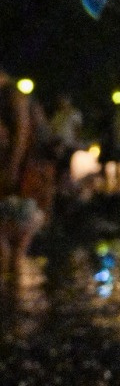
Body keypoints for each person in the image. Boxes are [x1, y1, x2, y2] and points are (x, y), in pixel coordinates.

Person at [0, 75, 48, 287]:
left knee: (8, 242)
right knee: (17, 246)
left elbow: (21, 132)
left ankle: (10, 295)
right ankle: (13, 294)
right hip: (29, 178)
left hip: (22, 178)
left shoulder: (12, 96)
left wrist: (12, 168)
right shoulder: (15, 96)